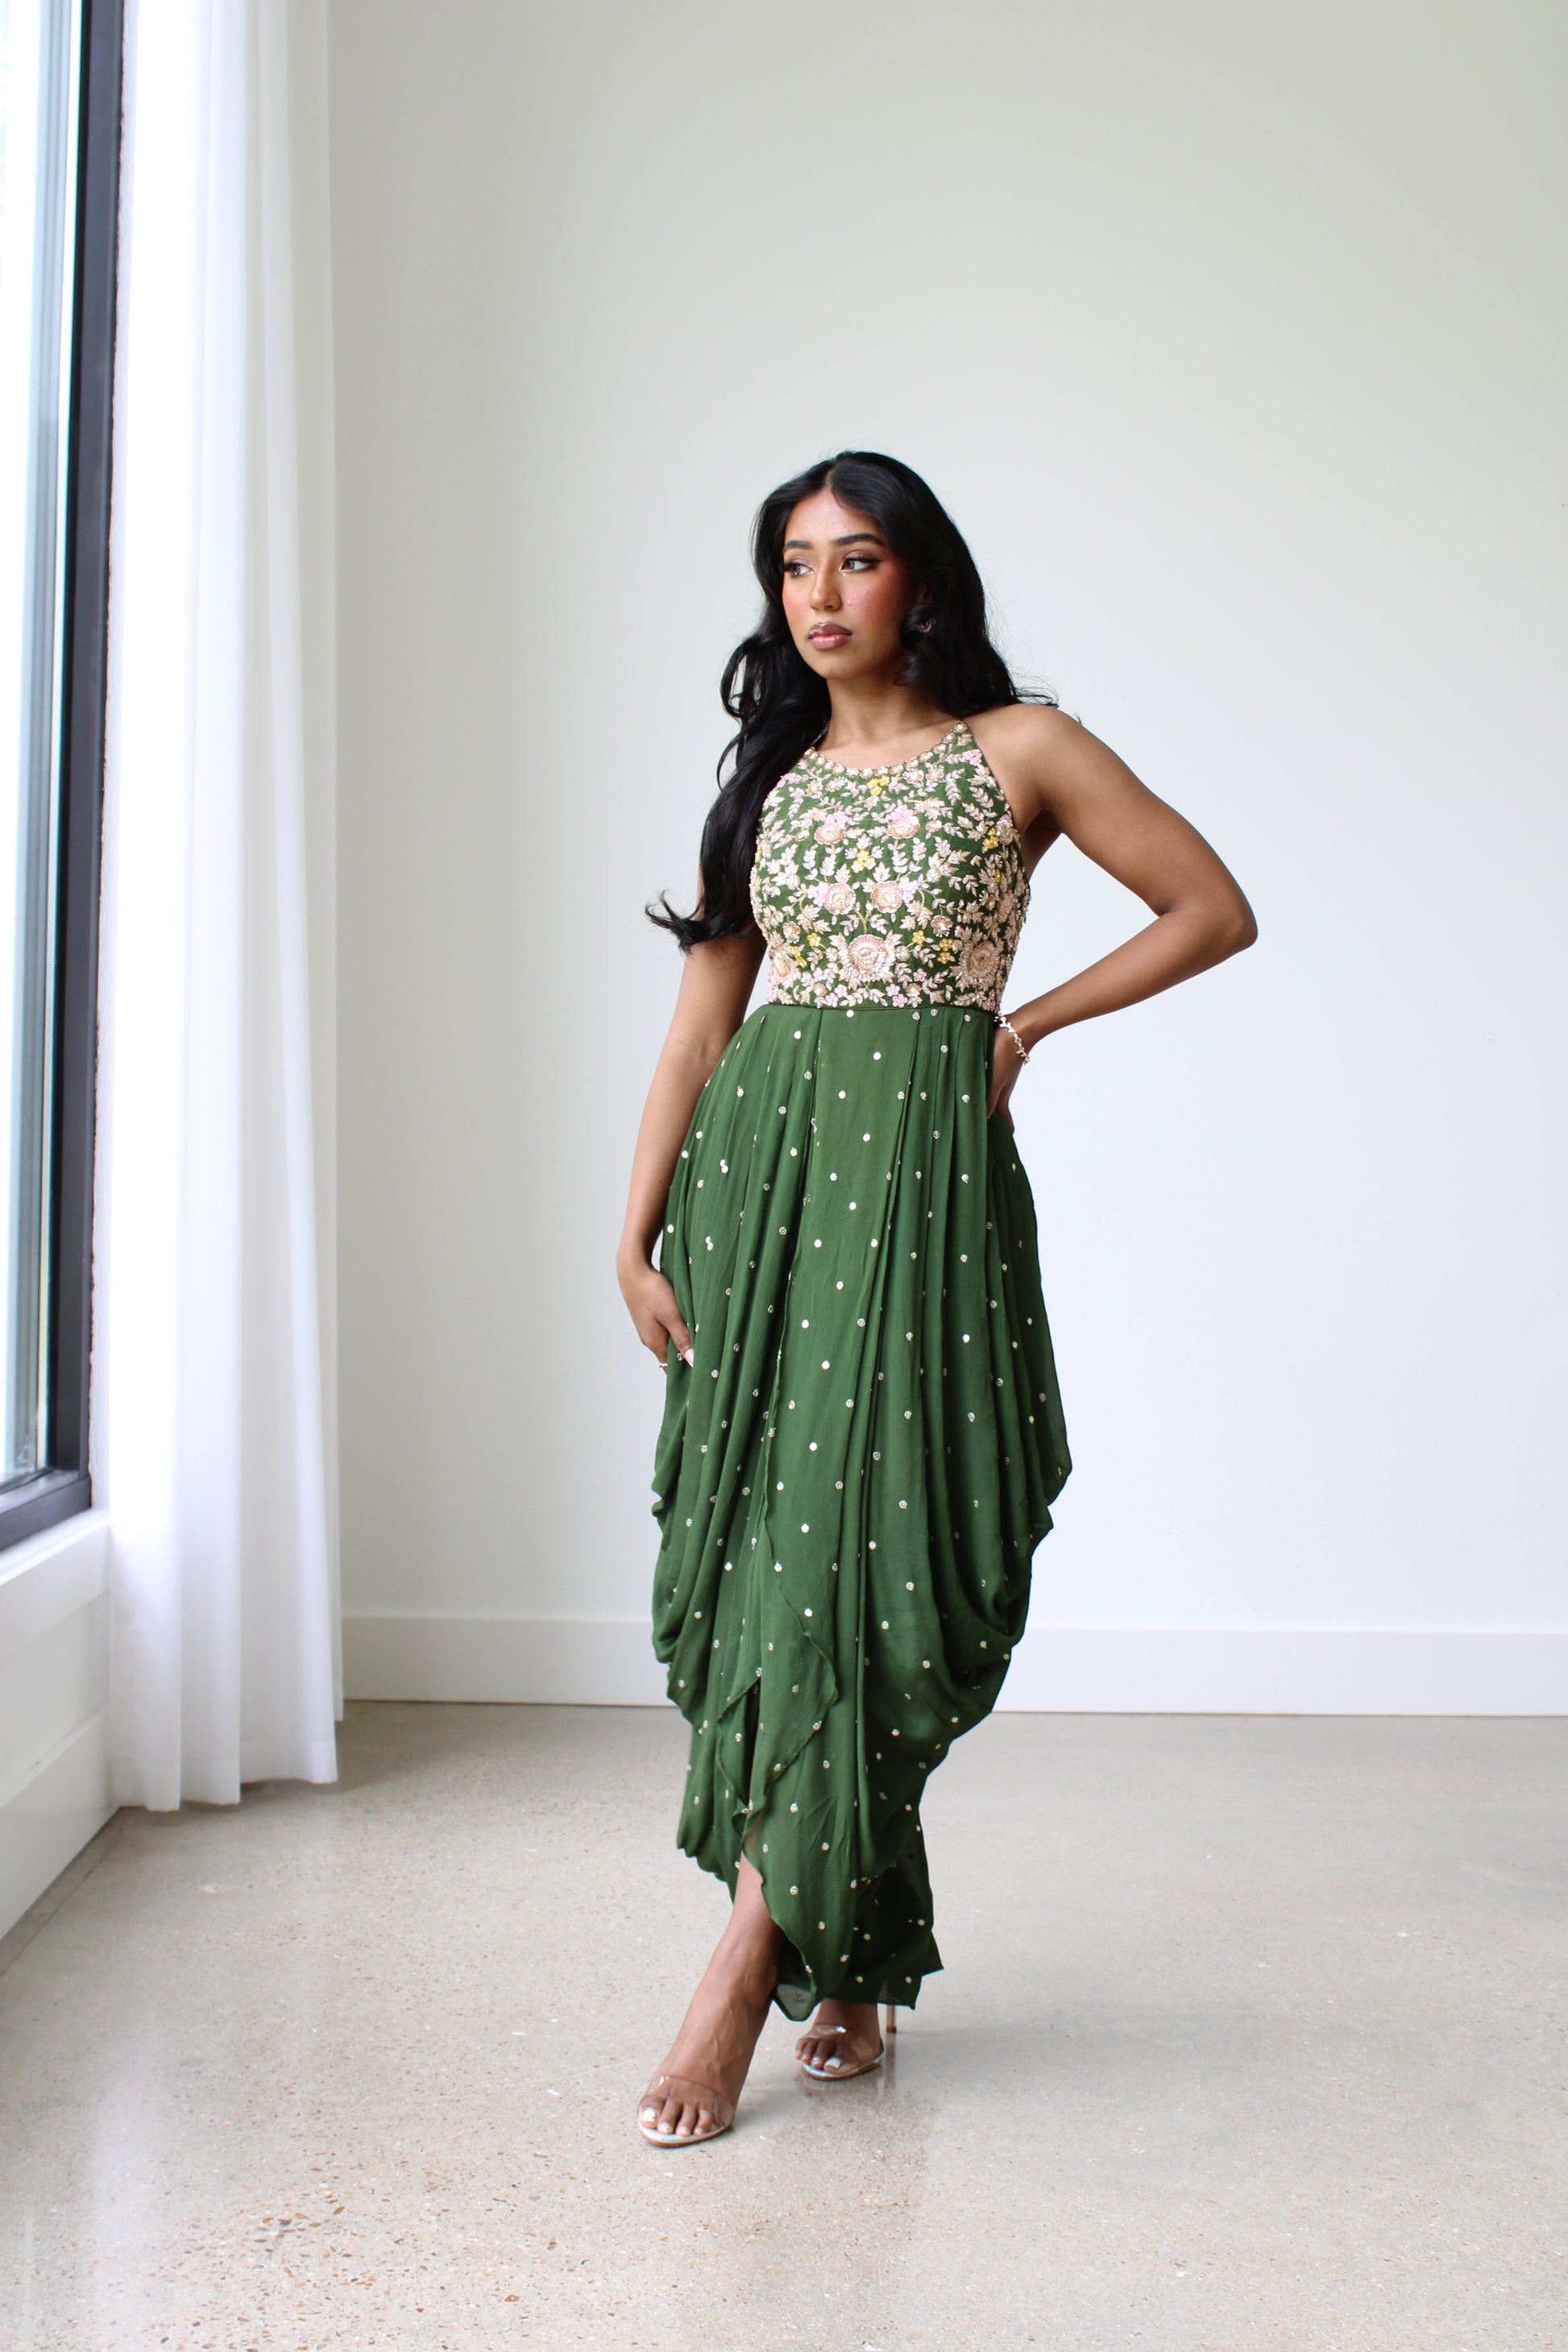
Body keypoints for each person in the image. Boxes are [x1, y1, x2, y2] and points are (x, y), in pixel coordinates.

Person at [617, 450, 1256, 2146]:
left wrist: (1021, 1023)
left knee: (886, 1551)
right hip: (762, 1188)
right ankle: (828, 1961)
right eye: (794, 564)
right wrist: (635, 1230)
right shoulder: (767, 782)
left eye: (856, 559)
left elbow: (1211, 908)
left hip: (920, 1187)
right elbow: (697, 1029)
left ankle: (749, 1961)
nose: (819, 594)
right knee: (778, 1565)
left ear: (920, 579)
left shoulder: (1018, 748)